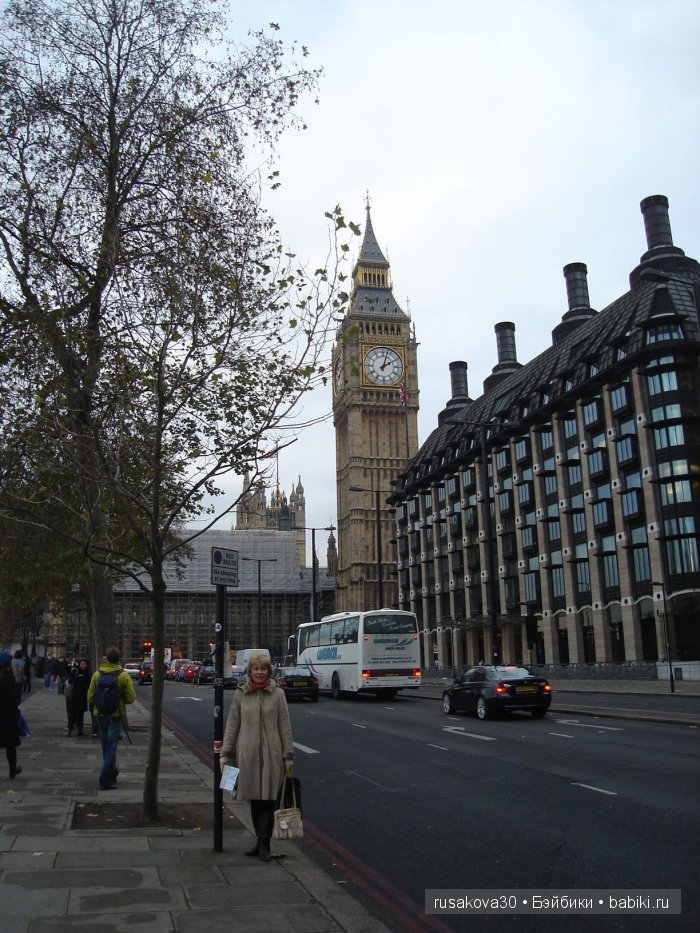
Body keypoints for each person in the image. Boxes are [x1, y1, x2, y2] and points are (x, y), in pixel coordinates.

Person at [221, 652, 294, 862]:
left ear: (268, 672)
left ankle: (265, 844)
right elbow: (232, 724)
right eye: (256, 669)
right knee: (254, 799)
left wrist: (288, 755)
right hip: (248, 754)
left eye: (263, 669)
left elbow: (285, 727)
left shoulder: (278, 694)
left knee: (269, 801)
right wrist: (226, 753)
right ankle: (260, 841)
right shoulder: (241, 694)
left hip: (272, 754)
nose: (260, 673)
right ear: (250, 671)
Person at [87, 647, 135, 790]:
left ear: (106, 658)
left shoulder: (97, 674)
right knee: (112, 746)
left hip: (99, 715)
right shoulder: (123, 676)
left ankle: (111, 773)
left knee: (106, 746)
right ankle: (105, 778)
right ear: (119, 659)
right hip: (116, 715)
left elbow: (90, 696)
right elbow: (131, 698)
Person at [0, 650, 22, 779]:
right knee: (10, 746)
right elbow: (12, 700)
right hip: (6, 716)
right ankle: (12, 771)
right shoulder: (9, 677)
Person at [67, 659, 91, 736]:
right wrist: (77, 677)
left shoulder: (87, 673)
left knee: (81, 713)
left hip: (83, 696)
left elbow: (89, 682)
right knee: (73, 713)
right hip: (75, 695)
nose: (83, 666)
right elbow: (71, 680)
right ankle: (70, 728)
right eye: (82, 664)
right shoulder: (75, 671)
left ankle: (80, 730)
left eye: (85, 664)